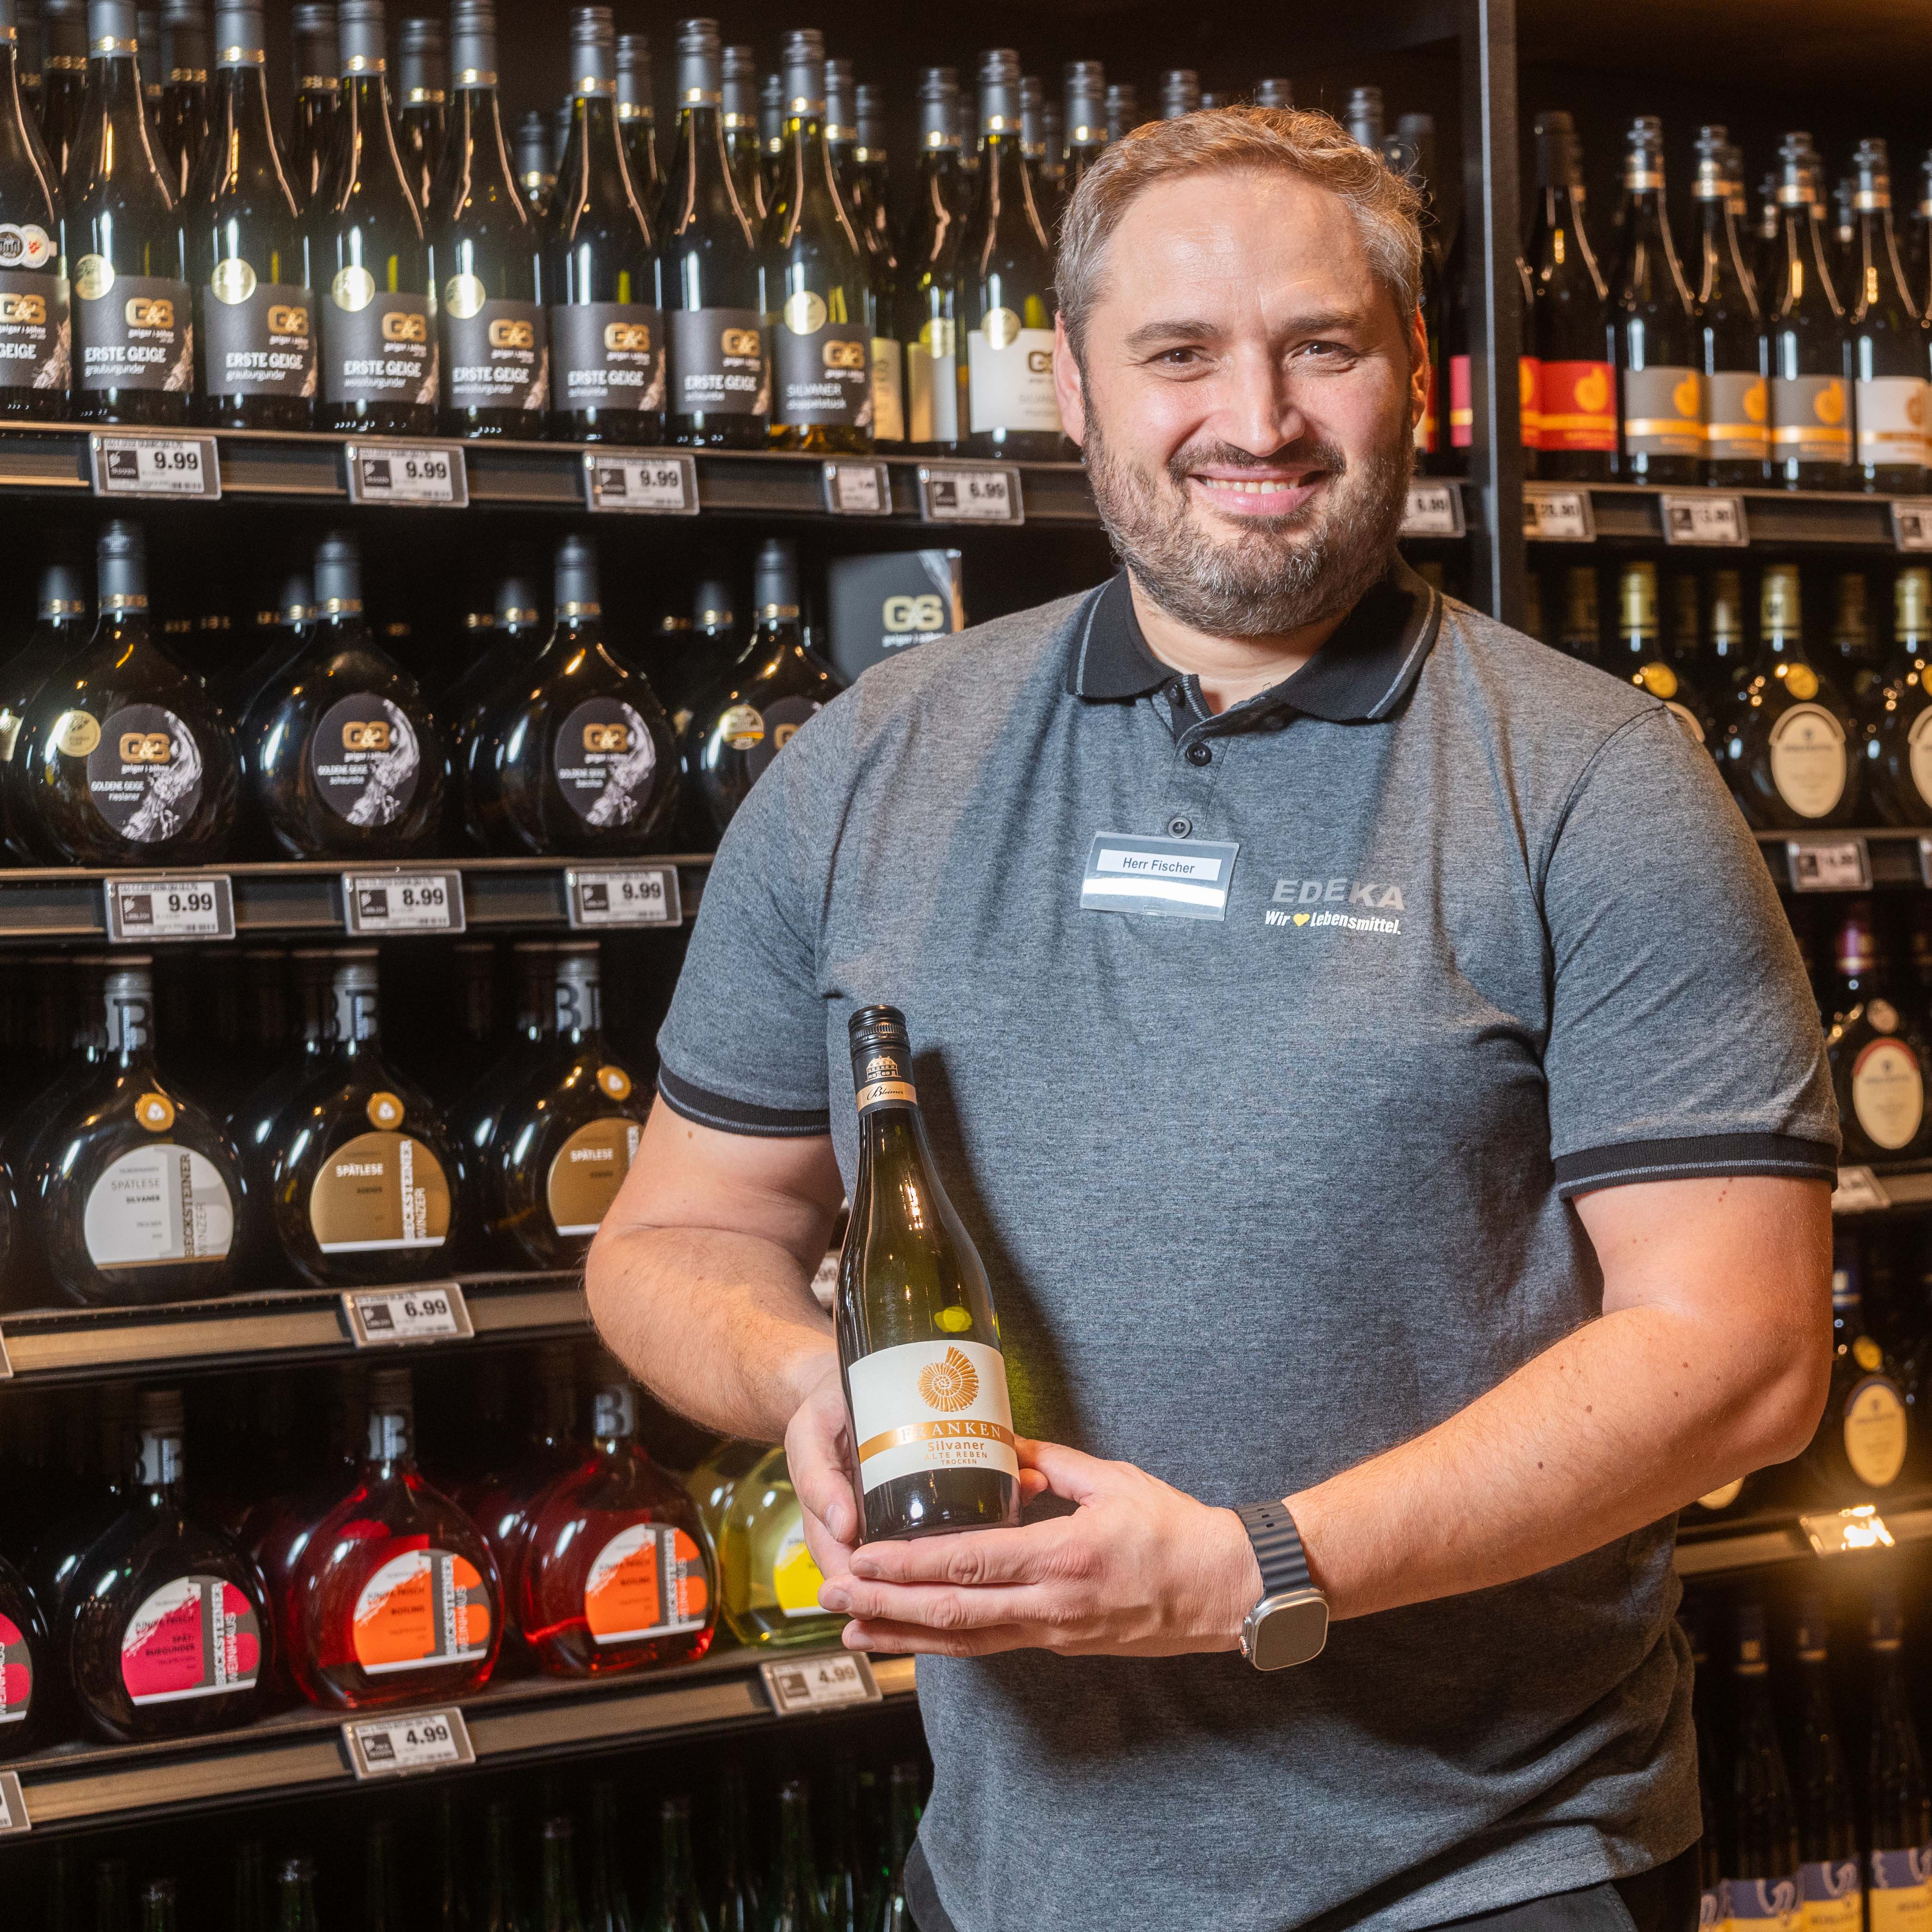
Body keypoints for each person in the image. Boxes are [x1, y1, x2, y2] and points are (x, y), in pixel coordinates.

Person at [587, 105, 1835, 1932]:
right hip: (1011, 1875)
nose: (1254, 420)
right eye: (1176, 351)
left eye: (1319, 345)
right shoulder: (871, 760)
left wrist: (1254, 1566)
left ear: (1413, 371)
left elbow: (1738, 1348)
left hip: (1479, 1875)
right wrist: (810, 1384)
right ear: (1070, 387)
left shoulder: (1592, 782)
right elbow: (678, 1232)